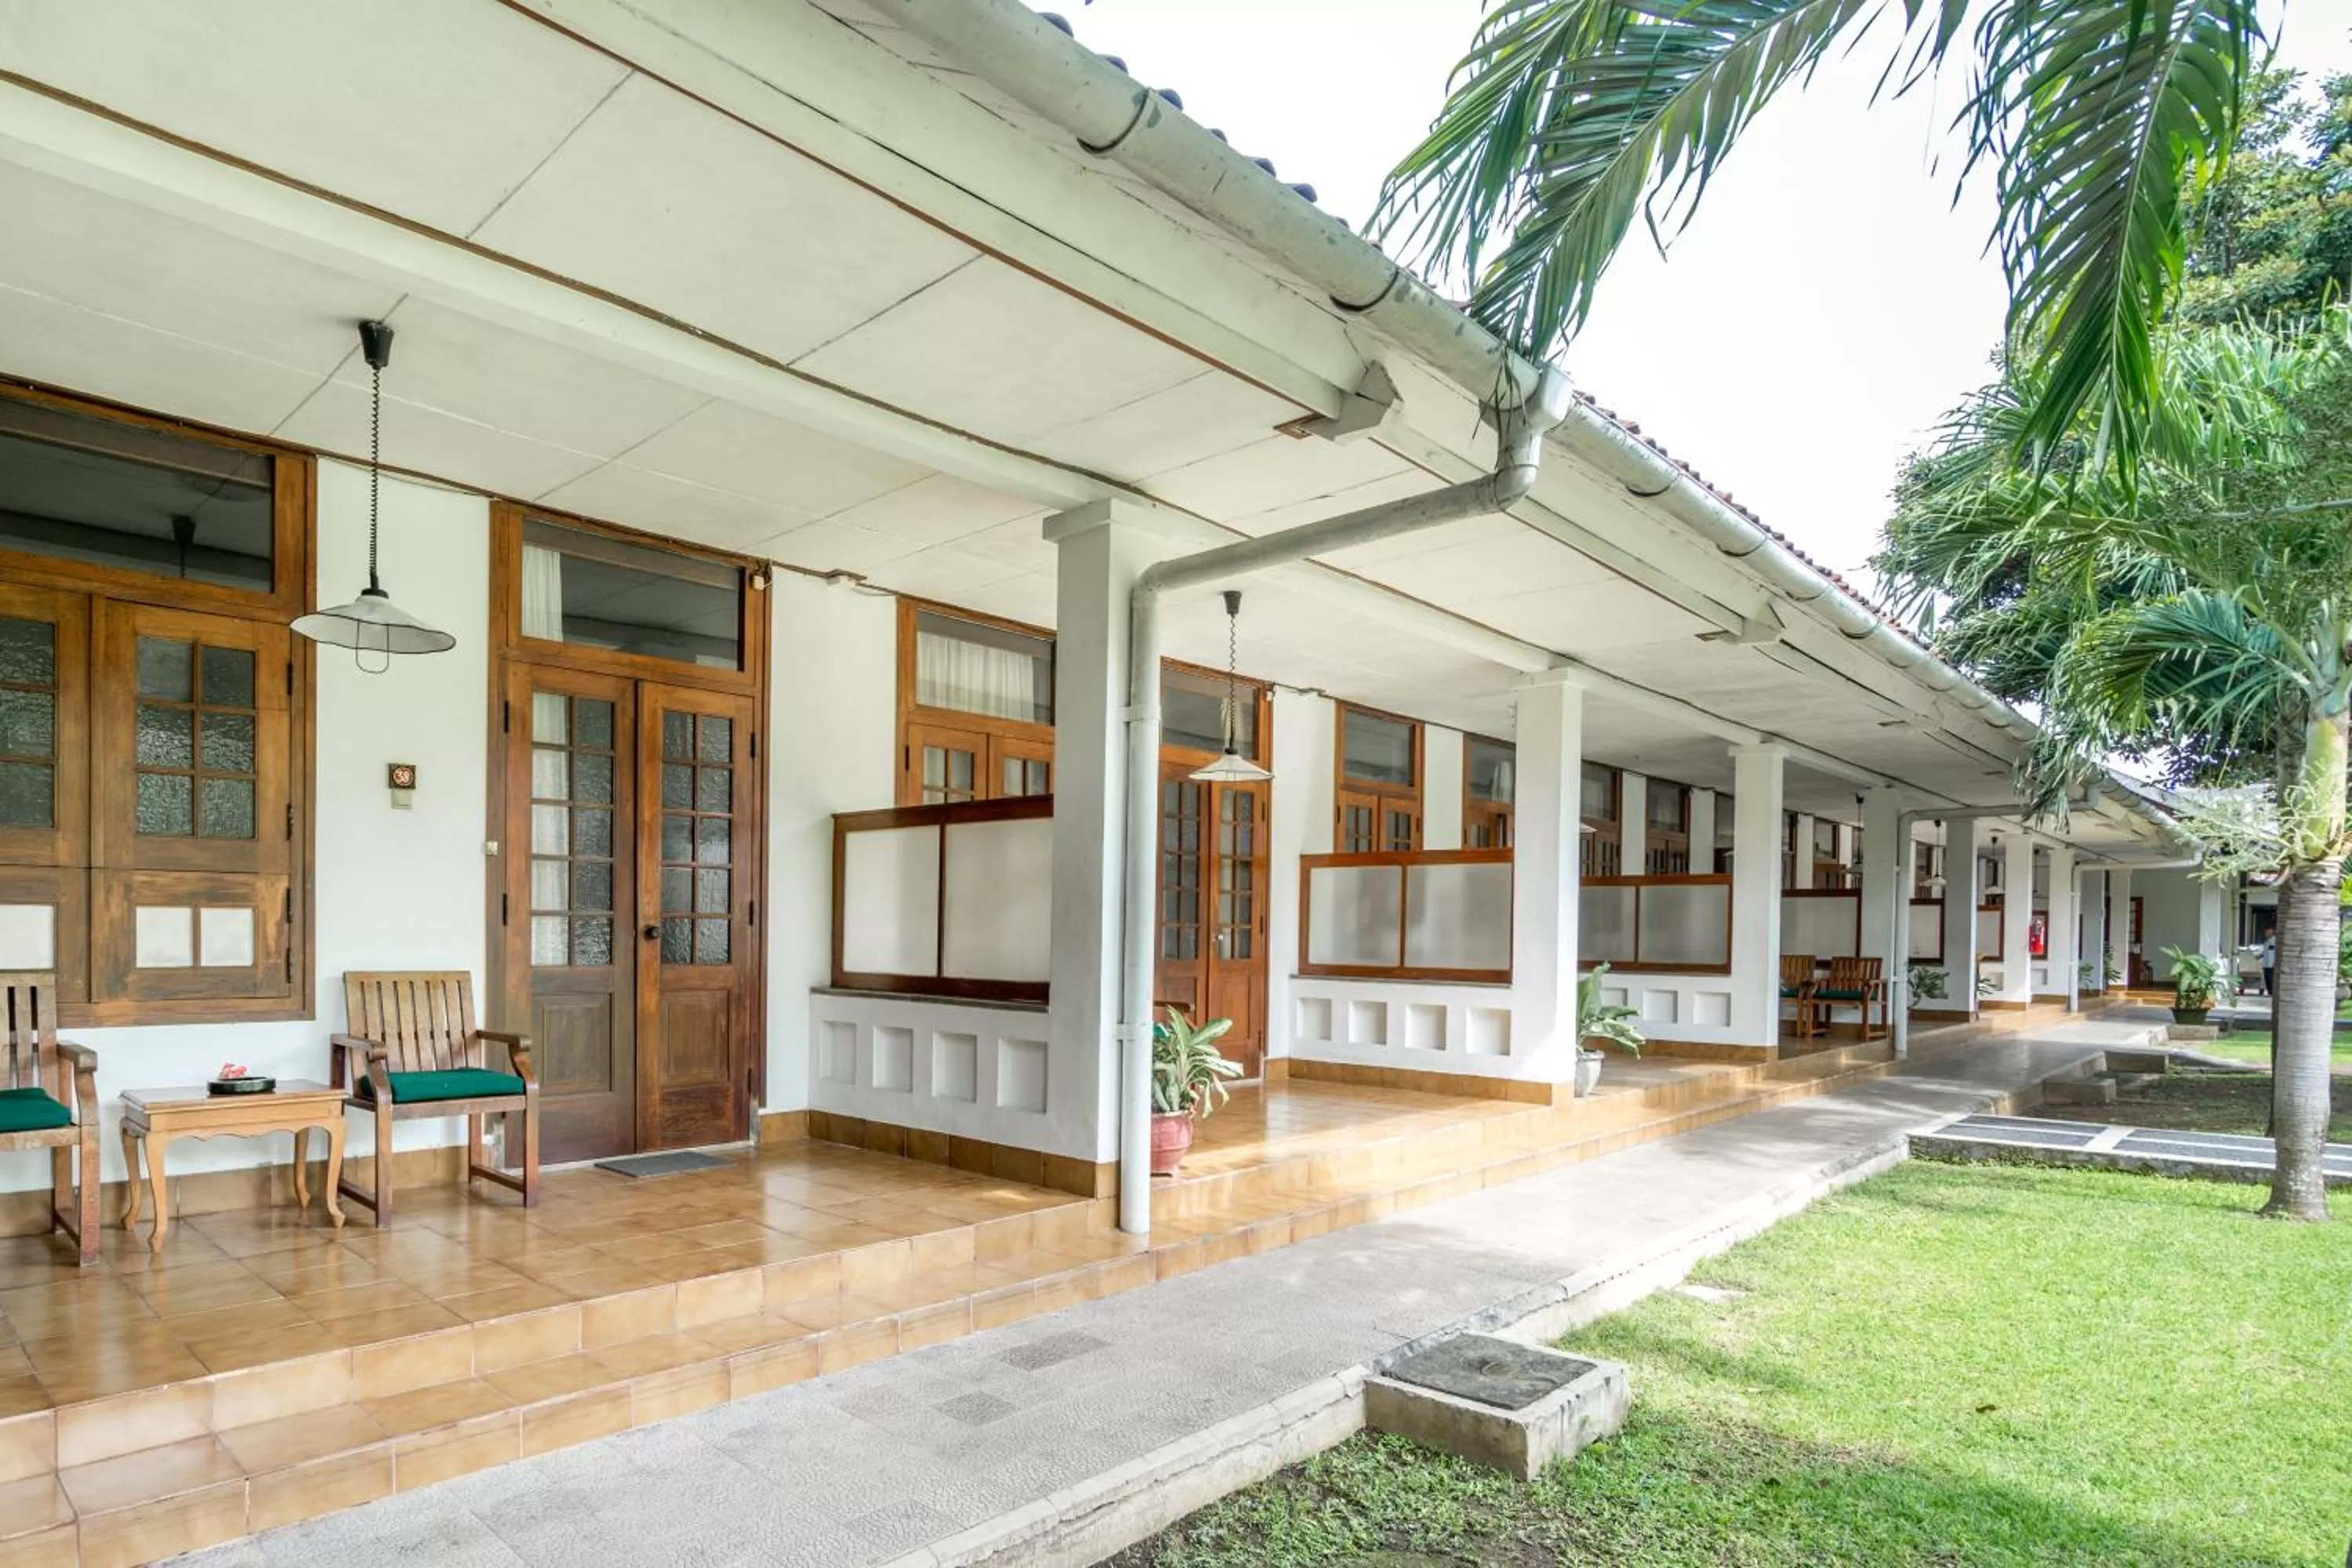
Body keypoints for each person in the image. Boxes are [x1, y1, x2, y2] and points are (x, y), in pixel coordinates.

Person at [2261, 930, 2276, 998]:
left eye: (2267, 932)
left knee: (2271, 979)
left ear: (2271, 933)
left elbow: (2275, 953)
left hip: (2272, 964)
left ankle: (2272, 992)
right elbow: (2265, 951)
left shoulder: (2275, 941)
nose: (2265, 934)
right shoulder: (2266, 941)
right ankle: (2270, 992)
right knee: (2267, 978)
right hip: (2266, 964)